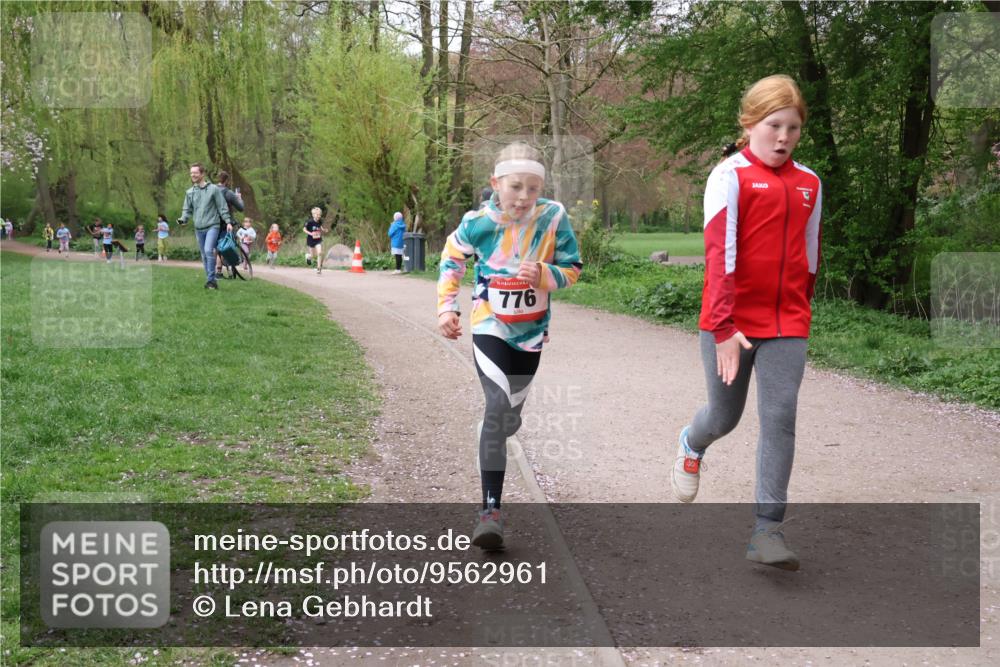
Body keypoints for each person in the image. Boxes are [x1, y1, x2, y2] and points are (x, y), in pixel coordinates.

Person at [670, 75, 822, 572]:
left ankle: (767, 530)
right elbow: (720, 255)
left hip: (788, 322)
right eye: (773, 125)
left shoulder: (810, 184)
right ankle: (692, 444)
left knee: (781, 418)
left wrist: (804, 309)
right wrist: (722, 329)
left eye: (792, 128)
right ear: (750, 124)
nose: (783, 137)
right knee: (725, 417)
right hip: (730, 320)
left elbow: (810, 255)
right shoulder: (729, 176)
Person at [437, 141, 582, 551]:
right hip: (490, 325)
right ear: (496, 184)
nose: (523, 197)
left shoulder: (553, 218)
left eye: (532, 189)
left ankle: (496, 432)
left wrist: (544, 274)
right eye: (515, 186)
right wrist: (447, 308)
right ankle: (490, 512)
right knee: (497, 408)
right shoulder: (478, 222)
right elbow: (451, 260)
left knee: (509, 418)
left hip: (531, 334)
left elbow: (573, 270)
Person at [177, 163, 234, 289]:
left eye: (195, 172)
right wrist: (183, 220)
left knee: (209, 250)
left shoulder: (213, 189)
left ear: (202, 174)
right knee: (204, 255)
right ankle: (211, 280)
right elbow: (186, 210)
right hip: (199, 228)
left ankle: (211, 281)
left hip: (212, 225)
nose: (193, 175)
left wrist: (228, 221)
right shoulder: (190, 192)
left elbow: (222, 207)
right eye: (191, 173)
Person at [214, 171, 245, 276]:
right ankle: (225, 270)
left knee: (216, 247)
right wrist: (239, 198)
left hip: (212, 223)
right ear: (227, 181)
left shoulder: (211, 190)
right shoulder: (229, 193)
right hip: (226, 224)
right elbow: (241, 208)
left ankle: (217, 270)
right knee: (225, 245)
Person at [303, 207, 325, 275]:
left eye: (319, 215)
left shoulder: (320, 221)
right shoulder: (309, 222)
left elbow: (320, 226)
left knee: (319, 253)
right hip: (311, 240)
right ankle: (308, 257)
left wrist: (323, 229)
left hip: (318, 239)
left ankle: (319, 268)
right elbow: (304, 229)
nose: (318, 216)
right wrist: (310, 233)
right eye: (317, 214)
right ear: (313, 215)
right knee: (312, 255)